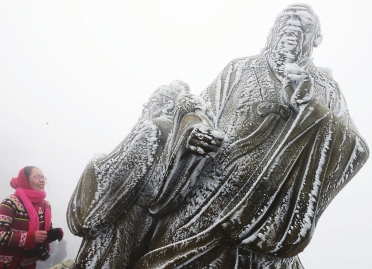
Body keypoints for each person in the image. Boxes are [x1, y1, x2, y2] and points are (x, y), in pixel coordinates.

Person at [133, 4, 369, 268]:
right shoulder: (240, 69)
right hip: (211, 196)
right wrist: (193, 134)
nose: (292, 30)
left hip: (271, 212)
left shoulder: (326, 88)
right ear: (273, 31)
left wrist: (311, 105)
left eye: (304, 27)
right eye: (286, 23)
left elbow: (355, 149)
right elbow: (201, 111)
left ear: (316, 38)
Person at [67, 81, 223, 269]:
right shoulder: (178, 137)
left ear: (168, 104)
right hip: (147, 226)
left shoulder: (152, 128)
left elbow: (115, 179)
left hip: (120, 223)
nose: (146, 105)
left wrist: (95, 162)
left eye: (155, 99)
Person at [0, 166, 64, 269]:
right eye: (37, 176)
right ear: (26, 180)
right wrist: (30, 238)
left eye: (43, 177)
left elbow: (41, 236)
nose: (42, 180)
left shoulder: (45, 206)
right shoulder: (11, 202)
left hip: (27, 264)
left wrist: (52, 234)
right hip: (2, 264)